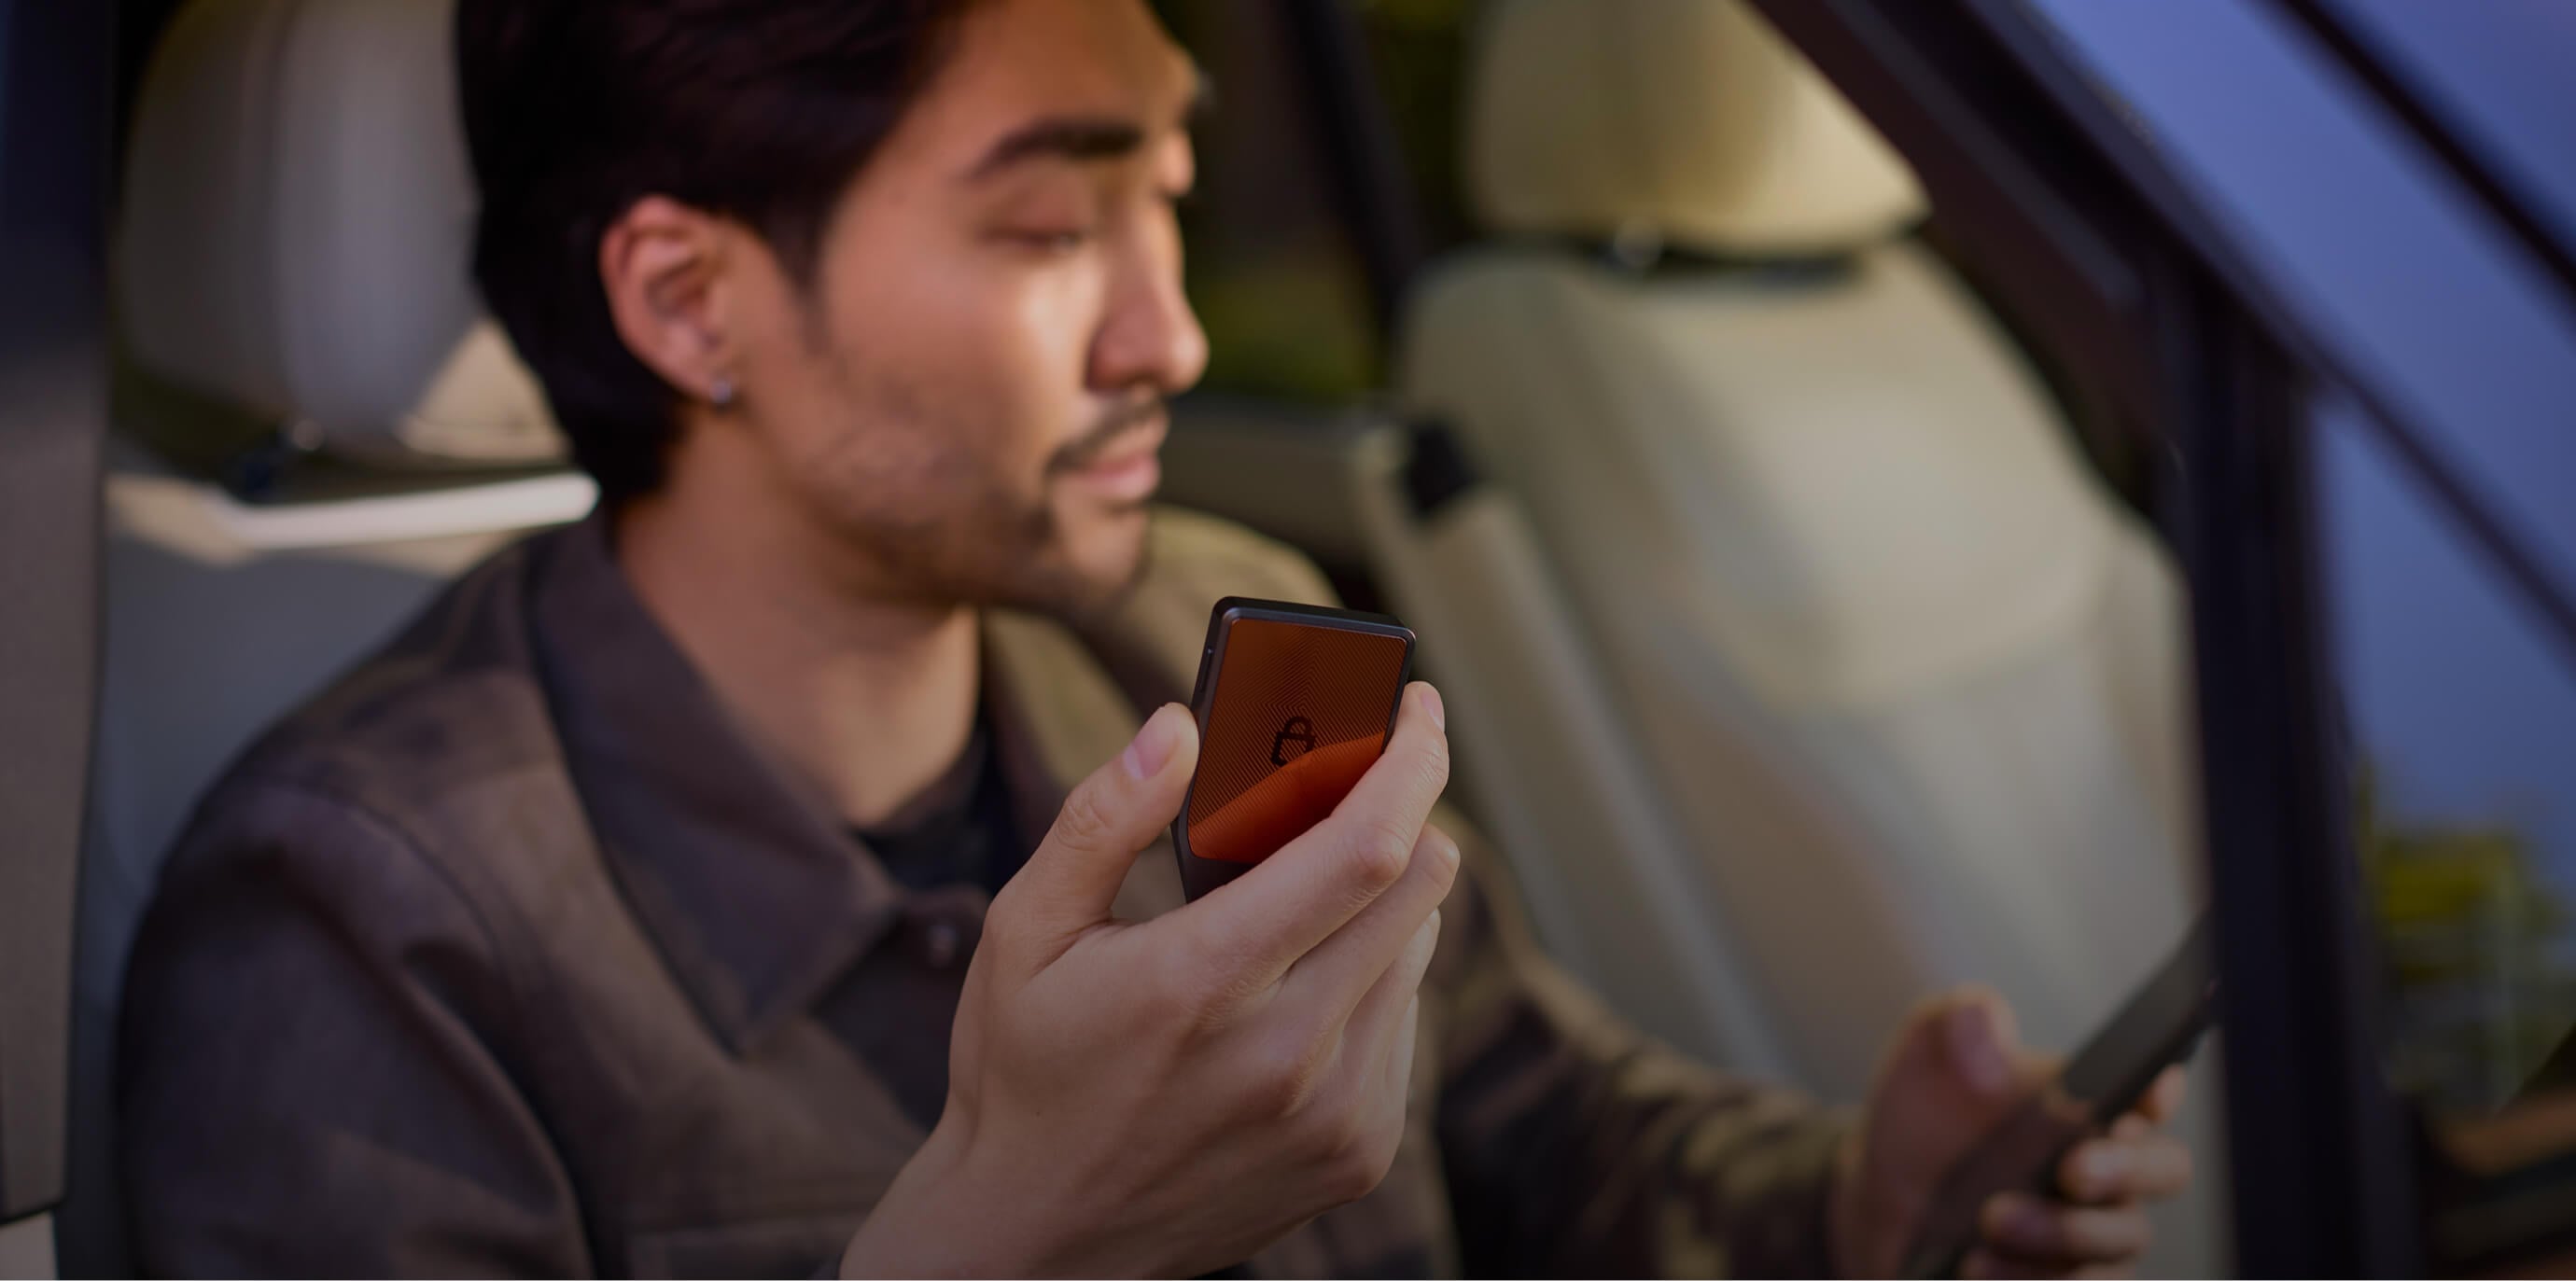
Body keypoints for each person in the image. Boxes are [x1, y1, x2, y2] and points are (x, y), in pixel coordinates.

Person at [117, 0, 2193, 1274]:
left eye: (1172, 200)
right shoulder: (362, 923)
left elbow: (1551, 1143)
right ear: (686, 302)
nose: (1172, 332)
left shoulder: (1212, 657)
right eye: (1046, 228)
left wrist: (1853, 1201)